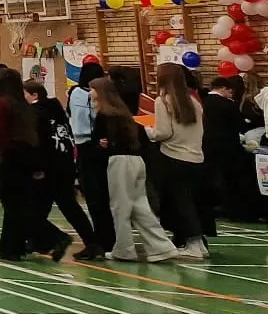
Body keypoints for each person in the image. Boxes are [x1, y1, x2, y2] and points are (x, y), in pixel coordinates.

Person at [0, 67, 71, 263]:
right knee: (15, 204)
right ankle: (10, 247)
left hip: (11, 156)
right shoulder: (23, 106)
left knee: (15, 206)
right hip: (29, 157)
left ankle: (54, 237)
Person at [90, 77, 179, 262]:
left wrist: (101, 144)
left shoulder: (104, 115)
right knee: (140, 206)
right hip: (137, 162)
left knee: (120, 207)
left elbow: (100, 142)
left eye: (92, 90)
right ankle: (161, 247)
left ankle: (124, 249)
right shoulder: (124, 114)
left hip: (119, 162)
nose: (90, 93)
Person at [26, 79, 101, 260]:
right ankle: (38, 241)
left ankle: (88, 243)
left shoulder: (36, 113)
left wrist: (37, 166)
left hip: (50, 167)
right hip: (65, 163)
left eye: (25, 94)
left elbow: (40, 142)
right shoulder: (57, 111)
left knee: (62, 207)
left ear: (34, 95)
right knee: (48, 207)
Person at [146, 63, 209, 260]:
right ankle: (198, 243)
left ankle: (194, 244)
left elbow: (164, 133)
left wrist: (145, 131)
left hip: (174, 158)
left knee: (181, 204)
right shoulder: (193, 102)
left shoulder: (163, 101)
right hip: (196, 159)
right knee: (191, 202)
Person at [70, 62, 115, 255]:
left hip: (86, 145)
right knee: (97, 195)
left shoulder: (74, 93)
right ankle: (103, 238)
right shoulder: (88, 96)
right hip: (90, 145)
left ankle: (103, 238)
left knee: (96, 196)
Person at [202, 75, 254, 231]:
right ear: (224, 89)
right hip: (228, 148)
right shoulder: (227, 104)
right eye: (230, 91)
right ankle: (237, 211)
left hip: (207, 147)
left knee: (213, 180)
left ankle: (218, 208)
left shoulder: (202, 101)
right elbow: (239, 125)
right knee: (232, 181)